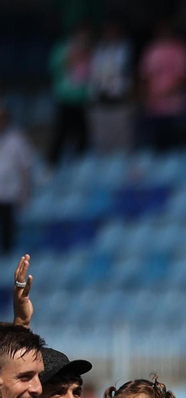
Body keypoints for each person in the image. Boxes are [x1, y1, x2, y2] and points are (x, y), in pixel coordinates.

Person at [138, 22, 186, 151]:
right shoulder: (151, 50)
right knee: (157, 145)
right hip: (154, 105)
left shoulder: (180, 49)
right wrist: (145, 95)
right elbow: (144, 75)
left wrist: (169, 92)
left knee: (175, 145)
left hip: (175, 105)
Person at [87, 21, 136, 155]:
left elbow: (126, 75)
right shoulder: (98, 51)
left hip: (119, 100)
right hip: (100, 100)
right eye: (108, 31)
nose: (110, 34)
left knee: (122, 143)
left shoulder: (125, 50)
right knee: (101, 142)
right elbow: (93, 75)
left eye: (114, 31)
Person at [48, 28, 93, 165]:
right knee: (61, 132)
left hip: (82, 100)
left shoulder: (91, 50)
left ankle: (81, 164)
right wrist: (73, 56)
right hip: (65, 99)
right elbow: (56, 68)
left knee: (82, 134)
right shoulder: (62, 49)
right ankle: (52, 162)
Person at [0, 107, 37, 256]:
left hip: (9, 193)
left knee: (9, 229)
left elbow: (25, 167)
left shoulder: (17, 139)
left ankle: (9, 254)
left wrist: (25, 191)